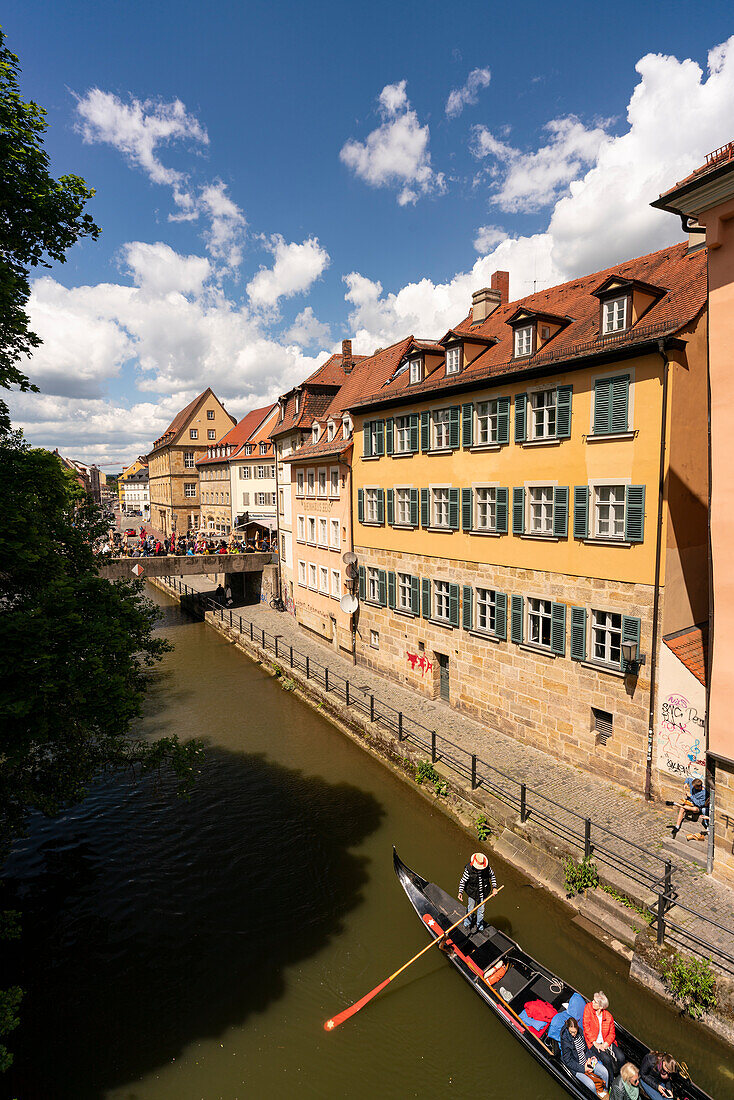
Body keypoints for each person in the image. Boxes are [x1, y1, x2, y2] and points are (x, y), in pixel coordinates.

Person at [560, 1017, 610, 1098]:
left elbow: (585, 1049)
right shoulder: (565, 1041)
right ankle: (595, 1097)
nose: (574, 1034)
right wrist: (584, 1069)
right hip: (577, 1067)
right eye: (571, 1032)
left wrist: (591, 1057)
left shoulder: (580, 1032)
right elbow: (568, 1061)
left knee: (605, 1072)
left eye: (575, 1032)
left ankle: (605, 1091)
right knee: (591, 1085)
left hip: (587, 1061)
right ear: (568, 1028)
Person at [582, 992, 625, 1081]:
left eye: (595, 1001)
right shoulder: (588, 1008)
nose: (592, 1002)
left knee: (621, 1057)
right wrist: (595, 1043)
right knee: (607, 1059)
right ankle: (611, 1081)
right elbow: (586, 1027)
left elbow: (612, 1033)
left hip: (605, 1041)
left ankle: (621, 1078)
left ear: (601, 1007)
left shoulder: (608, 1016)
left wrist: (606, 1044)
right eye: (593, 1000)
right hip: (592, 1042)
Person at [458, 852, 497, 933]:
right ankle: (467, 924)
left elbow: (492, 876)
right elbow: (463, 881)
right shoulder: (468, 869)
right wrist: (460, 892)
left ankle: (480, 927)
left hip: (483, 892)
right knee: (470, 909)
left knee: (481, 910)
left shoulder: (487, 868)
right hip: (472, 892)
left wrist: (494, 887)